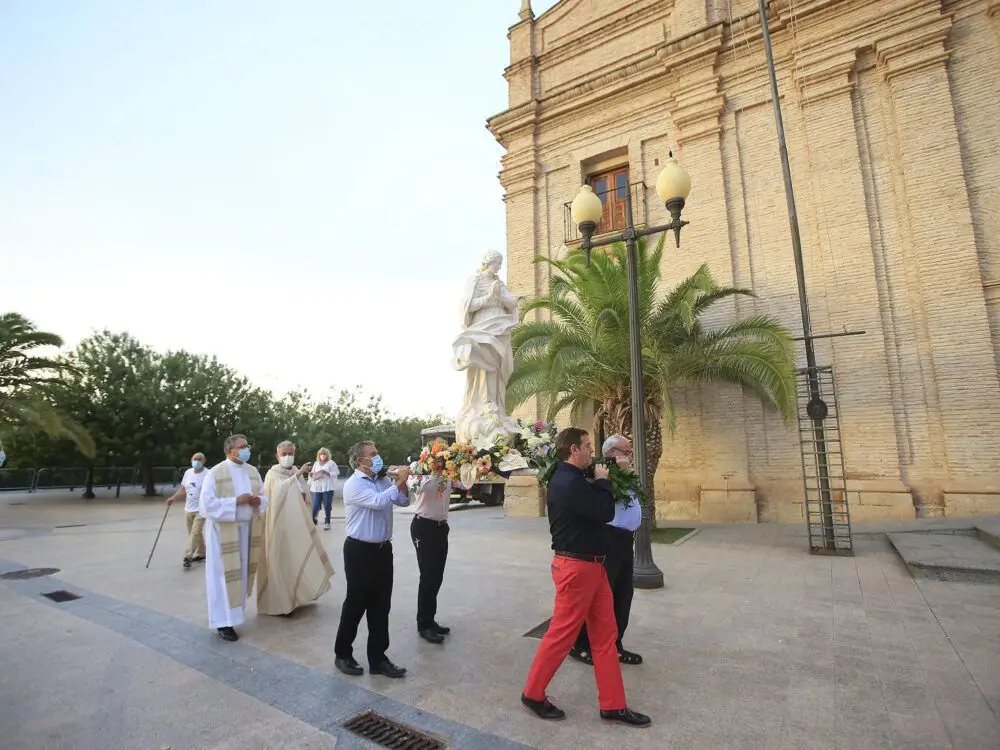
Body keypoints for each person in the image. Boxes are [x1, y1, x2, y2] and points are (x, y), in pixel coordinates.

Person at [520, 427, 650, 728]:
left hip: (593, 566)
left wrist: (598, 480)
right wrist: (603, 481)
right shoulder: (568, 481)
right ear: (573, 450)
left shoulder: (574, 478)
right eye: (588, 445)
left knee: (605, 635)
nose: (592, 450)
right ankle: (533, 694)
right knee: (561, 634)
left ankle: (613, 705)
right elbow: (604, 512)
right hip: (576, 568)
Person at [333, 441, 410, 679]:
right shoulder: (353, 484)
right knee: (356, 604)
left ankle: (378, 658)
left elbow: (403, 501)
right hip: (359, 551)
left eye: (377, 453)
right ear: (360, 461)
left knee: (381, 605)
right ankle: (343, 654)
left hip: (383, 550)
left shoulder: (383, 480)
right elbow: (378, 502)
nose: (378, 457)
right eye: (373, 454)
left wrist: (402, 482)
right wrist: (398, 481)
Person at [569, 435, 643, 666]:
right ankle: (581, 644)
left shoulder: (625, 473)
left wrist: (625, 472)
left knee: (623, 594)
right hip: (609, 538)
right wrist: (614, 474)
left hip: (626, 540)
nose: (630, 456)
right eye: (626, 451)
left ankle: (615, 644)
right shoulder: (599, 473)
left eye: (630, 452)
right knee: (600, 595)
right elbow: (601, 500)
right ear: (612, 453)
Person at [199, 434, 268, 642]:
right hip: (222, 533)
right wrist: (235, 502)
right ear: (229, 450)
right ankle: (222, 622)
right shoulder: (216, 473)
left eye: (247, 446)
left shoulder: (252, 471)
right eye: (241, 447)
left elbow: (264, 496)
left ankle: (235, 617)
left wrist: (258, 501)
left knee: (240, 575)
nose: (246, 449)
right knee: (222, 576)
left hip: (245, 530)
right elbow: (206, 506)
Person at [257, 440, 334, 616]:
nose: (287, 457)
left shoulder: (294, 471)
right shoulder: (273, 473)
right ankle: (281, 604)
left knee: (296, 561)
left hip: (296, 526)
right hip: (279, 526)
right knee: (281, 564)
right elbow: (277, 493)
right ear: (277, 456)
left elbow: (306, 496)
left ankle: (298, 598)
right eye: (284, 454)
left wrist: (303, 494)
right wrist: (298, 475)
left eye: (290, 453)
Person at [452, 250, 520, 443]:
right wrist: (487, 299)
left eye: (500, 263)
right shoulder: (475, 280)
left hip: (500, 326)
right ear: (489, 262)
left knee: (498, 366)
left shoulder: (499, 282)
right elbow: (467, 305)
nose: (499, 266)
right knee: (484, 365)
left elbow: (511, 302)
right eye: (497, 263)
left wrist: (503, 297)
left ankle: (495, 405)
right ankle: (483, 405)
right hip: (483, 325)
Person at [410, 439, 453, 644]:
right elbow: (416, 489)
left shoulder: (449, 472)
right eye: (439, 454)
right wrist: (432, 471)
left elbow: (466, 483)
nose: (442, 458)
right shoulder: (418, 471)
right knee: (428, 576)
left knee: (437, 575)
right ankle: (424, 624)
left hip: (441, 527)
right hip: (424, 527)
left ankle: (430, 619)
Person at [165, 452, 208, 569]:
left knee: (195, 532)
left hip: (201, 509)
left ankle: (188, 556)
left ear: (204, 461)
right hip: (188, 508)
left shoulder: (208, 474)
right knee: (193, 533)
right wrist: (173, 498)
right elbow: (183, 488)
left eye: (200, 459)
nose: (197, 461)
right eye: (195, 459)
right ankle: (202, 553)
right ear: (191, 460)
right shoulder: (188, 473)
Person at [309, 447, 338, 531]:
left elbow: (335, 473)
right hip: (317, 487)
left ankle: (327, 522)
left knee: (327, 505)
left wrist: (325, 472)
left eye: (324, 453)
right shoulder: (316, 463)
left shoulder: (331, 463)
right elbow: (312, 473)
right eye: (321, 454)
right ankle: (313, 520)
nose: (322, 455)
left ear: (327, 455)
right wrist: (312, 475)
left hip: (327, 487)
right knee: (315, 505)